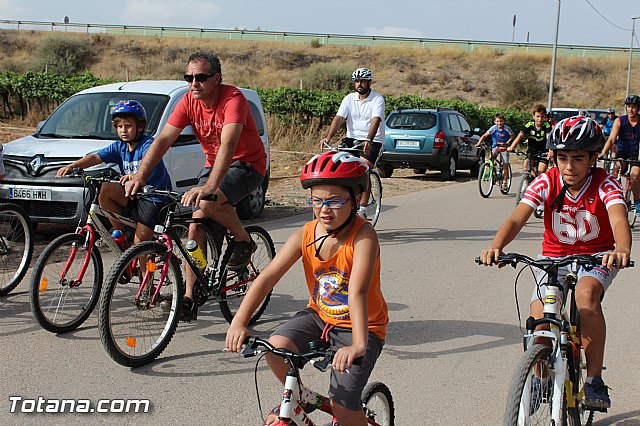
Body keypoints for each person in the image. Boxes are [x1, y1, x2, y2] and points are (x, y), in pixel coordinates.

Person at [479, 116, 631, 410]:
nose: (569, 167)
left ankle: (595, 380)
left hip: (597, 257)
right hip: (553, 257)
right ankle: (538, 375)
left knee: (586, 296)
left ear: (593, 158)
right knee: (540, 318)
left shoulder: (605, 183)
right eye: (562, 158)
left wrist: (621, 249)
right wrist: (496, 246)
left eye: (577, 158)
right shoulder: (547, 180)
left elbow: (618, 218)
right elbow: (517, 217)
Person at [226, 150, 388, 426]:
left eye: (334, 201)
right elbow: (266, 278)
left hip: (361, 326)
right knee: (274, 347)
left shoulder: (364, 236)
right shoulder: (307, 233)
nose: (325, 209)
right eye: (317, 200)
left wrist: (358, 344)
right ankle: (302, 396)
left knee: (343, 405)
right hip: (319, 315)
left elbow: (357, 291)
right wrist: (239, 322)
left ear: (357, 197)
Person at [124, 51, 267, 321]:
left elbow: (229, 144)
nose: (194, 83)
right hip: (214, 166)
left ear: (217, 78)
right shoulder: (188, 102)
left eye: (200, 77)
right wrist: (140, 176)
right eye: (188, 77)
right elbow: (162, 140)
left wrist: (210, 186)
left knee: (207, 201)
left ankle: (244, 240)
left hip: (248, 165)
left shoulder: (233, 99)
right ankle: (189, 297)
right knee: (195, 224)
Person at [57, 100, 172, 245]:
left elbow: (147, 161)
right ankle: (121, 236)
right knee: (106, 189)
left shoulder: (148, 144)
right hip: (134, 194)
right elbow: (96, 157)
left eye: (128, 126)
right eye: (119, 126)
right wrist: (73, 166)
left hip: (154, 198)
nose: (123, 130)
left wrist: (135, 175)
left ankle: (142, 267)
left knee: (140, 241)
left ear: (140, 127)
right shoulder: (119, 146)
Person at [320, 68, 385, 220]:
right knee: (338, 164)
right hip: (352, 138)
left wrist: (368, 139)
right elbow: (338, 119)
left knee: (364, 168)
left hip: (373, 139)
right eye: (356, 81)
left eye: (362, 81)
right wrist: (328, 138)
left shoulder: (377, 99)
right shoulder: (349, 99)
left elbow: (376, 120)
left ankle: (362, 207)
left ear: (369, 82)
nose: (359, 84)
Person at [600, 95, 640, 215]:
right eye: (628, 107)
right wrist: (602, 153)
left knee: (635, 175)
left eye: (633, 107)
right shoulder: (620, 121)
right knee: (616, 168)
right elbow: (612, 139)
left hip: (636, 154)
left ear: (638, 108)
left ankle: (637, 201)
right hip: (622, 152)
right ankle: (613, 195)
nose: (630, 110)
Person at [507, 104, 552, 175]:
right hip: (531, 152)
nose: (539, 119)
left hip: (543, 153)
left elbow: (549, 137)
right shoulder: (529, 125)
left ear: (544, 117)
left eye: (542, 116)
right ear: (533, 116)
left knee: (540, 172)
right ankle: (525, 183)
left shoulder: (546, 125)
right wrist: (512, 147)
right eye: (537, 116)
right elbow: (520, 136)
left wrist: (550, 151)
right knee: (526, 168)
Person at [476, 113, 515, 191]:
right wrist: (479, 143)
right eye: (497, 121)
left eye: (501, 121)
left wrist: (508, 142)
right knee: (491, 157)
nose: (499, 123)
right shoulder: (493, 128)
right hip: (495, 147)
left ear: (503, 121)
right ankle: (491, 172)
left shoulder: (507, 128)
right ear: (494, 122)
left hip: (504, 148)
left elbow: (512, 135)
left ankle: (504, 182)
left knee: (505, 165)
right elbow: (484, 135)